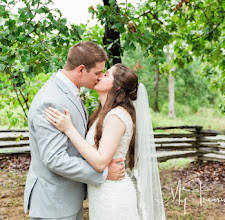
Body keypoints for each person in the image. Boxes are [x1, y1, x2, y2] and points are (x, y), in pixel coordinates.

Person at [45, 63, 166, 219]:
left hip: (114, 197)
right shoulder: (103, 114)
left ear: (117, 87)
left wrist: (69, 129)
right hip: (102, 194)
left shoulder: (117, 116)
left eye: (107, 75)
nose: (100, 75)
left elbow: (101, 161)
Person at [24, 41, 126, 220]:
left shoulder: (69, 91)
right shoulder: (51, 100)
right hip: (54, 204)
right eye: (97, 72)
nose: (100, 77)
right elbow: (55, 159)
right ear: (80, 69)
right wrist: (102, 173)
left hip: (68, 199)